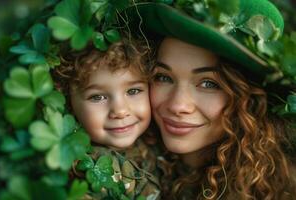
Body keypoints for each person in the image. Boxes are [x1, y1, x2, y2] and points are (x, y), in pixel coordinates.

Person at [129, 0, 296, 199]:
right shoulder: (118, 164)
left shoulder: (282, 190)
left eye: (209, 84)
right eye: (163, 77)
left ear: (250, 99)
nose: (177, 105)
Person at [52, 38, 160, 199]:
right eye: (97, 97)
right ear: (70, 104)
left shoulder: (155, 142)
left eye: (133, 91)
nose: (120, 111)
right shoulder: (86, 171)